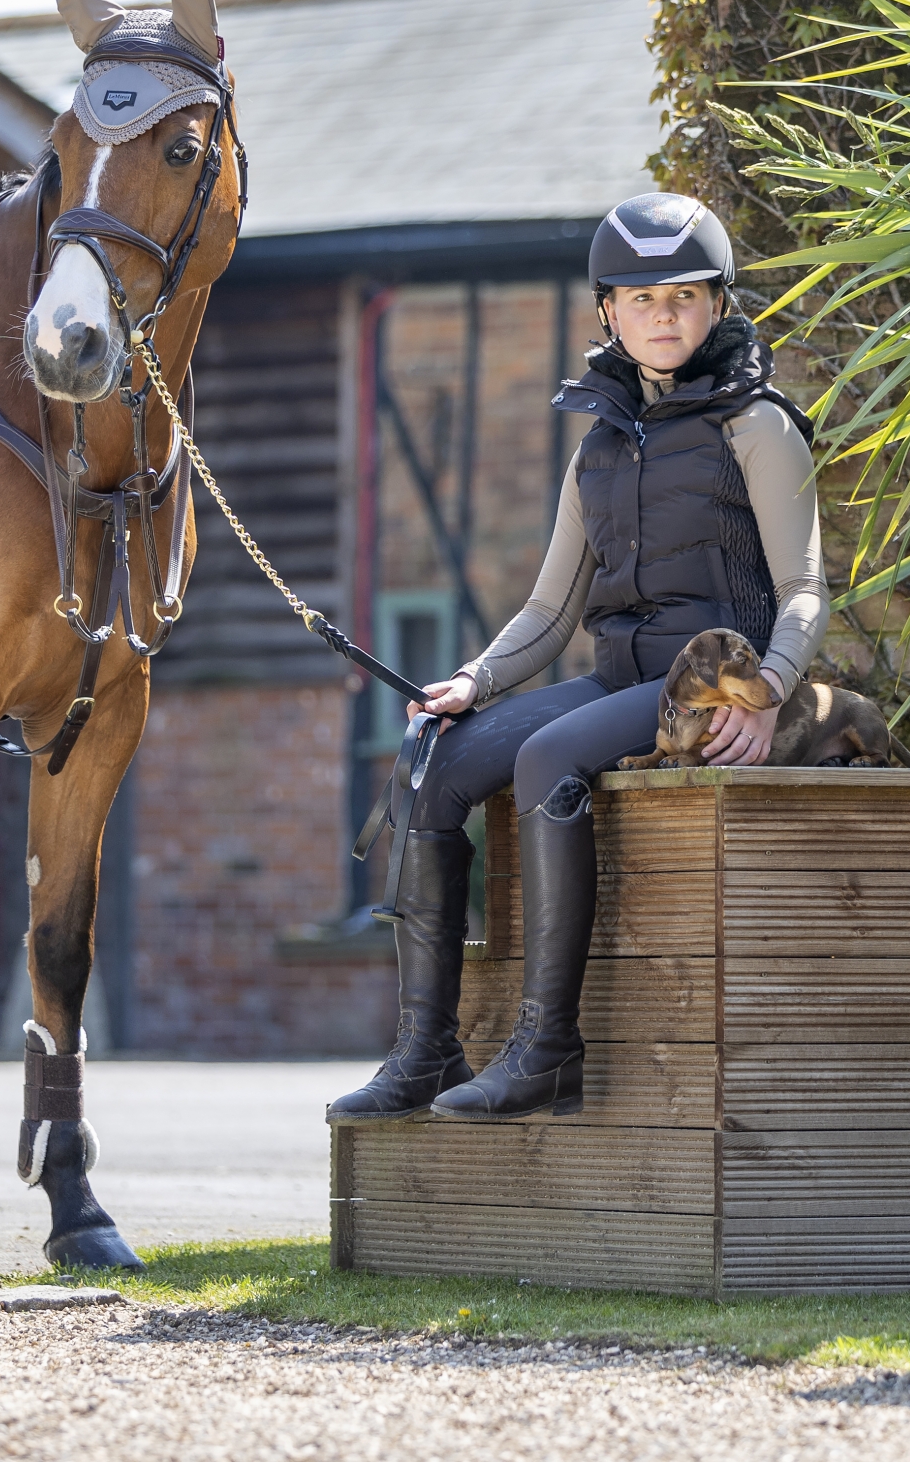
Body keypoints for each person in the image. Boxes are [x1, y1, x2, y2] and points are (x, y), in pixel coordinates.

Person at [328, 192, 828, 1124]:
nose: (664, 314)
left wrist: (765, 689)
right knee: (437, 761)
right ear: (608, 310)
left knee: (547, 756)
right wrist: (472, 682)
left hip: (706, 683)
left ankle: (549, 1049)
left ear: (719, 304)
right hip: (614, 674)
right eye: (642, 298)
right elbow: (549, 609)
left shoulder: (757, 427)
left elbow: (804, 588)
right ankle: (425, 1050)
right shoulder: (597, 446)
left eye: (684, 294)